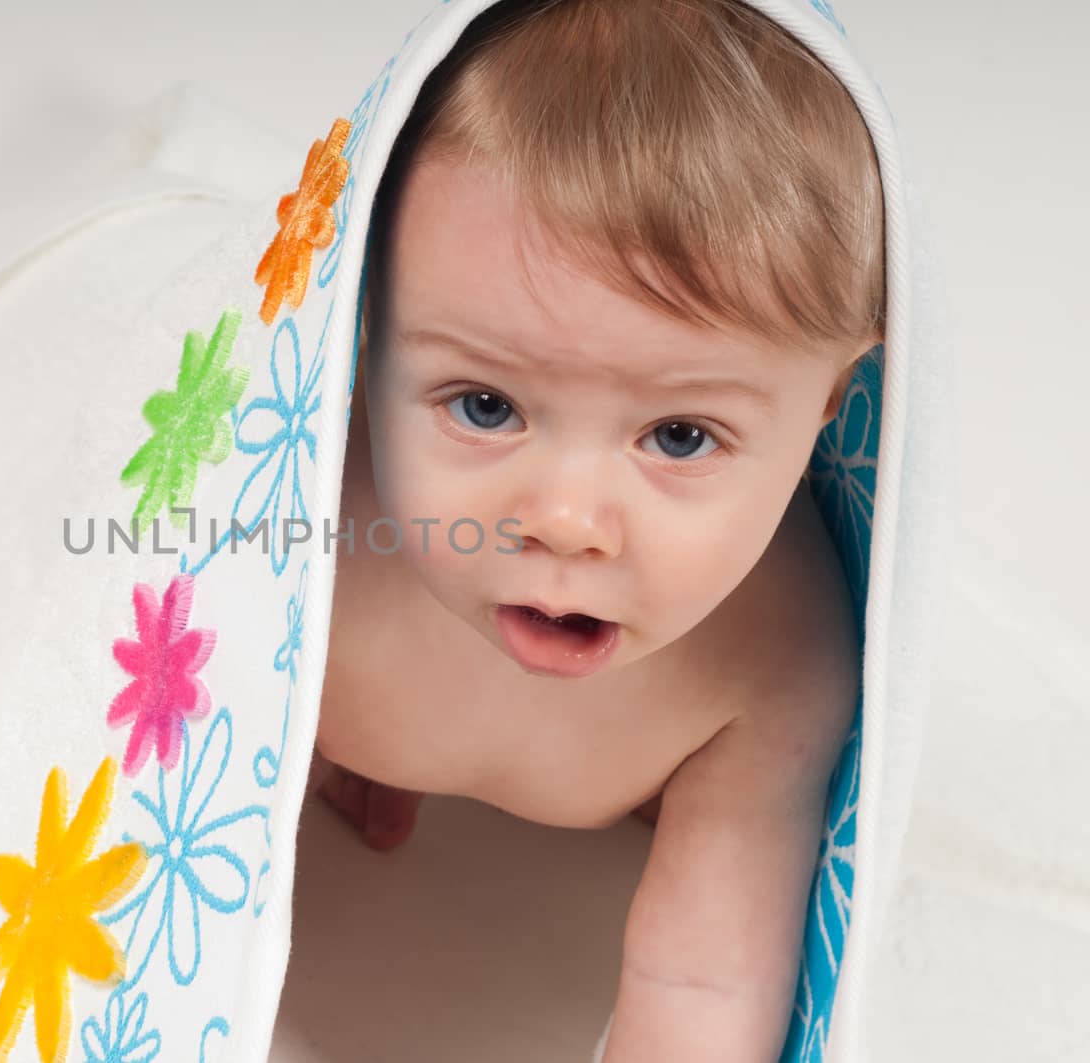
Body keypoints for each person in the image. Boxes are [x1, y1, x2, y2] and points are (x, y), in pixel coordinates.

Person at [310, 0, 879, 1057]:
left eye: (677, 435)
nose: (567, 523)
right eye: (485, 406)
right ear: (360, 340)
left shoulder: (779, 663)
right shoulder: (304, 539)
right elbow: (144, 766)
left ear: (827, 409)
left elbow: (702, 983)